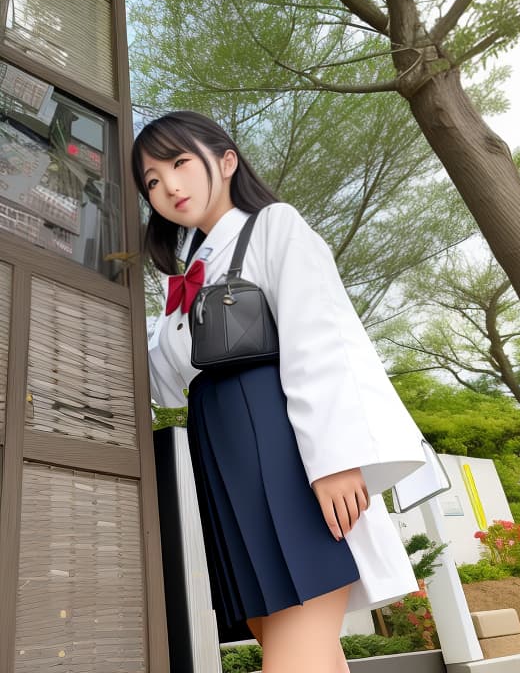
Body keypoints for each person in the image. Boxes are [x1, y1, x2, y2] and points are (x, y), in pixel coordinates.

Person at [132, 111, 428, 673]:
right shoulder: (190, 273)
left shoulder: (274, 225)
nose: (168, 186)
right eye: (150, 181)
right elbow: (169, 381)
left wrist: (337, 462)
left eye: (179, 163)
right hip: (220, 452)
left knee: (297, 641)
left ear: (225, 161)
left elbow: (320, 339)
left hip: (283, 447)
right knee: (286, 639)